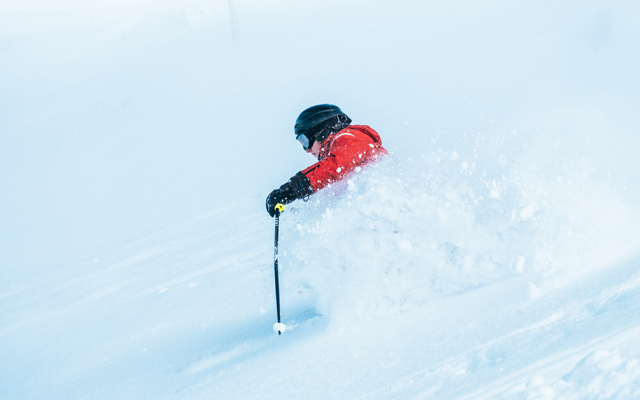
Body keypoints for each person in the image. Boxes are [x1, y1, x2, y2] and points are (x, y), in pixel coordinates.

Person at [266, 104, 388, 217]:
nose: (306, 150)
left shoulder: (350, 137)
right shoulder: (340, 148)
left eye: (305, 141)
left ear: (321, 132)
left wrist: (293, 188)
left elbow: (335, 166)